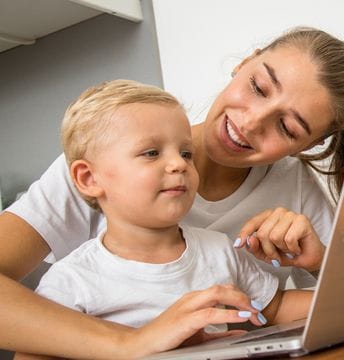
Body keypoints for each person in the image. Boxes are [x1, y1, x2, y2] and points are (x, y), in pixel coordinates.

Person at [0, 27, 344, 357]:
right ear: (244, 63)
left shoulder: (284, 194)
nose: (250, 122)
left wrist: (320, 260)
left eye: (288, 128)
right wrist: (134, 342)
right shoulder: (106, 160)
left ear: (306, 144)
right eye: (258, 87)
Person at [14, 79, 312, 359]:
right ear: (89, 178)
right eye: (152, 152)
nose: (178, 164)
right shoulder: (71, 281)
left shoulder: (219, 250)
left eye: (186, 153)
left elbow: (277, 306)